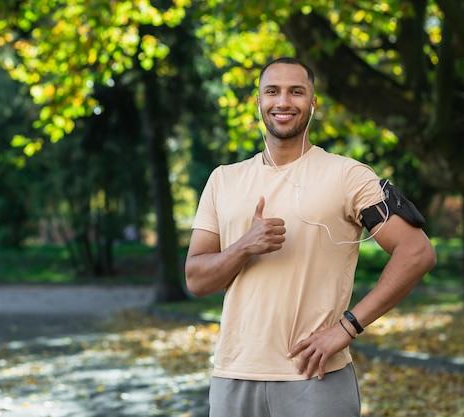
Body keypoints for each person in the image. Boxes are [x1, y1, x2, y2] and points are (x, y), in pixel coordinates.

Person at [185, 57, 437, 417]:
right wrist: (244, 247)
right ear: (258, 102)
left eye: (296, 92)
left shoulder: (348, 176)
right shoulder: (223, 180)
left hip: (315, 376)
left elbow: (418, 252)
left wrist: (348, 327)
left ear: (313, 103)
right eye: (272, 91)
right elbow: (196, 279)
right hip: (233, 377)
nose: (283, 102)